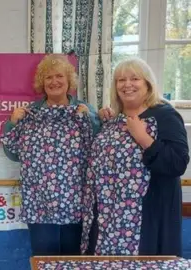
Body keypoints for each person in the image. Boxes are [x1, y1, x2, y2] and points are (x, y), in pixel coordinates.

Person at [81, 57, 189, 256]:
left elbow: (177, 163)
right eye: (121, 80)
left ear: (147, 83)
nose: (127, 84)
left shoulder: (165, 115)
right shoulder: (113, 119)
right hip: (108, 219)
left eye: (134, 79)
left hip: (147, 220)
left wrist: (144, 138)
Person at [0, 54, 100, 257]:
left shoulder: (83, 110)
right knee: (44, 258)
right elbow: (13, 154)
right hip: (40, 203)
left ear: (69, 80)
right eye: (48, 77)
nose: (54, 81)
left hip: (76, 202)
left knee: (73, 259)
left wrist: (92, 119)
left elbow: (99, 151)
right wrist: (12, 123)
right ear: (41, 83)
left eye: (59, 76)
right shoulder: (29, 113)